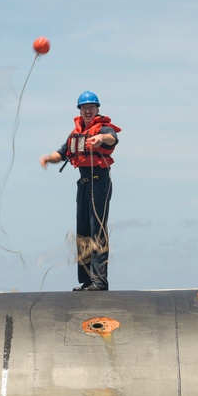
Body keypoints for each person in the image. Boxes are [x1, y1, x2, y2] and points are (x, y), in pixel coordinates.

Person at [39, 91, 122, 291]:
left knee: (97, 232)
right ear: (80, 110)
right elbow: (62, 153)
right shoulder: (75, 133)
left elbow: (112, 138)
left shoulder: (103, 128)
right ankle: (86, 280)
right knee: (83, 232)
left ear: (97, 109)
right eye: (84, 108)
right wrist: (48, 158)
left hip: (99, 182)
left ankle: (99, 281)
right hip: (83, 184)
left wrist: (101, 138)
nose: (87, 110)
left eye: (91, 107)